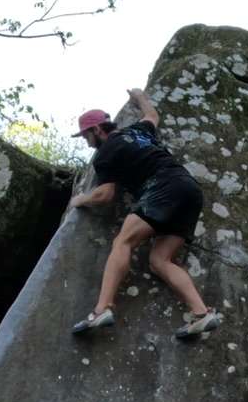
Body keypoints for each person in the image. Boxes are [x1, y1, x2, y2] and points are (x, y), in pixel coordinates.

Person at [68, 88, 220, 339]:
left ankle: (101, 309)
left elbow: (105, 195)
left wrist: (80, 200)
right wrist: (138, 96)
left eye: (86, 136)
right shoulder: (139, 131)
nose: (86, 142)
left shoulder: (104, 154)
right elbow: (152, 114)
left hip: (162, 186)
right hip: (189, 189)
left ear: (97, 130)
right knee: (160, 260)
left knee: (123, 241)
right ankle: (202, 314)